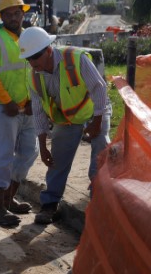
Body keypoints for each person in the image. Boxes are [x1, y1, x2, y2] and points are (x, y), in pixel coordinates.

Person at [17, 26, 112, 225]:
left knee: (100, 153)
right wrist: (42, 146)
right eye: (29, 59)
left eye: (36, 56)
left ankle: (99, 205)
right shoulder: (34, 76)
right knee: (57, 161)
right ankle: (50, 204)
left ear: (48, 49)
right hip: (68, 120)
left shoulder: (75, 59)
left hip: (95, 110)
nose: (33, 62)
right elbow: (39, 112)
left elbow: (99, 88)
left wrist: (97, 122)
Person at [0, 0, 40, 227]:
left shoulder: (29, 38)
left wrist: (35, 99)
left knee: (28, 153)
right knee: (3, 156)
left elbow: (34, 70)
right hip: (1, 108)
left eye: (17, 13)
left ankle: (8, 199)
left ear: (23, 14)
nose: (14, 17)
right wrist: (6, 101)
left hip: (27, 108)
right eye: (9, 14)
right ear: (1, 16)